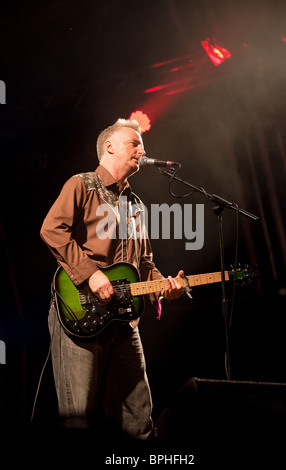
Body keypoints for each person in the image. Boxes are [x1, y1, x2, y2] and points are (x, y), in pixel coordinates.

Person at [40, 118, 184, 440]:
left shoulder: (137, 207)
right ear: (110, 146)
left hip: (124, 323)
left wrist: (164, 286)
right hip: (79, 313)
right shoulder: (81, 185)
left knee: (138, 417)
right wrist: (91, 275)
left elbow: (144, 263)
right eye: (135, 143)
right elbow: (51, 230)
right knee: (79, 416)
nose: (142, 150)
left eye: (142, 145)